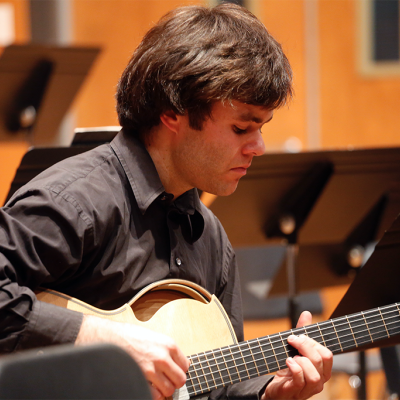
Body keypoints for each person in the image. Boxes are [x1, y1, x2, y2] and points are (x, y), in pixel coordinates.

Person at [0, 3, 332, 400]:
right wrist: (103, 342)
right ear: (172, 113)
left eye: (261, 128)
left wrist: (270, 394)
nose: (258, 147)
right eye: (242, 127)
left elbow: (213, 387)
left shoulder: (211, 240)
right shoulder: (76, 202)